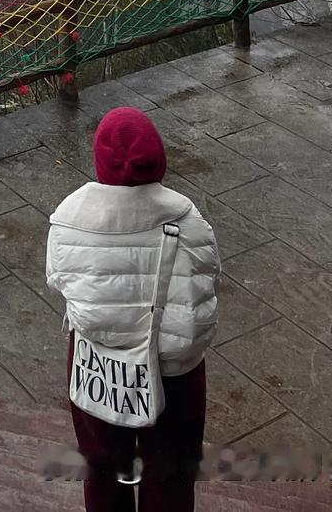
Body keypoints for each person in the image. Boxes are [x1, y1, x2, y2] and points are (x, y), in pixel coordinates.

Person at [46, 108, 220, 512]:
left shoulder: (69, 218)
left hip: (97, 368)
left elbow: (58, 280)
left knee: (104, 470)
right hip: (174, 372)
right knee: (171, 474)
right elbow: (207, 287)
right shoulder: (188, 218)